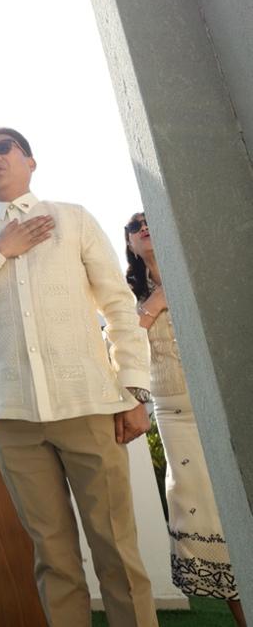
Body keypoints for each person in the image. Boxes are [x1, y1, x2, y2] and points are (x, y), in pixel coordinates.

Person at [0, 128, 157, 627]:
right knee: (53, 559)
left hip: (90, 407)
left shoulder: (73, 219)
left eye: (1, 148)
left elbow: (119, 306)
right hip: (14, 418)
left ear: (31, 161)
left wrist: (135, 390)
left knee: (118, 553)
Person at [125, 211, 246, 625]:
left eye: (148, 219)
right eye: (134, 225)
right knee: (208, 516)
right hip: (175, 416)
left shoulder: (198, 273)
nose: (143, 225)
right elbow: (122, 345)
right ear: (130, 245)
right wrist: (154, 304)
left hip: (224, 405)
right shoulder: (126, 299)